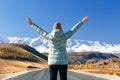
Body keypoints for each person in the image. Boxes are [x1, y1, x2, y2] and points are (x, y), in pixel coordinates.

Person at [27, 16, 88, 80]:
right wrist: (82, 22)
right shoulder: (65, 36)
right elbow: (74, 29)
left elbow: (40, 31)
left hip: (52, 62)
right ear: (61, 28)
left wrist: (32, 24)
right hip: (63, 61)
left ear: (53, 29)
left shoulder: (49, 36)